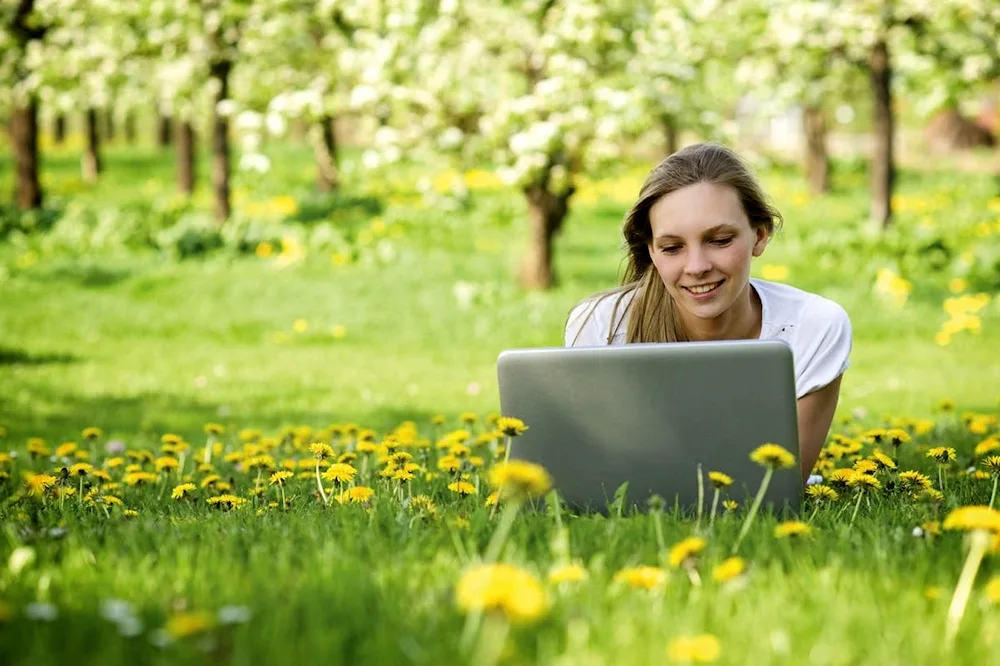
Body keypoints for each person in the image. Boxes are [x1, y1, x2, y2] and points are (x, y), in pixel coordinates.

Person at [564, 142, 852, 482]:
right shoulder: (602, 325)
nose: (697, 267)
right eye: (672, 248)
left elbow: (776, 487)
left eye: (720, 240)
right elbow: (592, 479)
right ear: (652, 252)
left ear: (760, 236)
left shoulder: (814, 327)